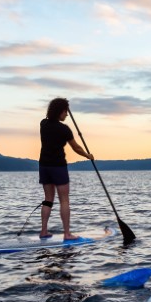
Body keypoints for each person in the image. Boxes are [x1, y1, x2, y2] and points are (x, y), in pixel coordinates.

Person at [38, 97, 93, 241]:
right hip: (58, 166)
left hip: (44, 166)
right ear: (60, 111)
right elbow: (76, 147)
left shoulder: (43, 124)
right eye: (65, 111)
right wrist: (88, 155)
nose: (67, 115)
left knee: (48, 200)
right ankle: (67, 234)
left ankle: (43, 231)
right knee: (64, 200)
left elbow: (49, 119)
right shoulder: (64, 129)